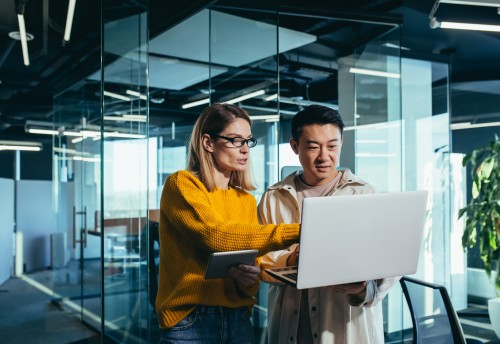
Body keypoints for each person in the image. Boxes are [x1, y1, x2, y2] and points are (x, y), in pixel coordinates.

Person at [156, 103, 300, 344]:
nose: (245, 150)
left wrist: (250, 278)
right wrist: (298, 231)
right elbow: (214, 236)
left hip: (238, 320)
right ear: (207, 143)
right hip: (191, 321)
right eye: (235, 140)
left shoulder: (244, 199)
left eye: (248, 141)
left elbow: (250, 265)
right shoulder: (182, 185)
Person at [258, 105, 399, 344]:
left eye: (332, 146)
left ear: (341, 142)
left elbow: (390, 267)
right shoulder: (274, 197)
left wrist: (362, 289)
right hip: (291, 325)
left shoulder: (366, 194)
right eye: (313, 147)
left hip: (345, 328)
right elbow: (260, 257)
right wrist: (291, 260)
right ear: (295, 146)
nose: (324, 156)